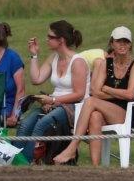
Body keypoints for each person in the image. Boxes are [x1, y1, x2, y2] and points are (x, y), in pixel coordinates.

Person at [53, 26, 134, 166]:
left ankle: (72, 147)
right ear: (112, 43)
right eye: (119, 41)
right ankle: (96, 168)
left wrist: (107, 88)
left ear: (130, 44)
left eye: (126, 42)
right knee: (95, 117)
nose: (122, 45)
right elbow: (95, 90)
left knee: (90, 102)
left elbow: (130, 94)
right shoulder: (104, 63)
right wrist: (117, 93)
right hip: (107, 109)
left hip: (128, 112)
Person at [15, 20, 89, 163]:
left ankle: (29, 163)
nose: (47, 40)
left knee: (41, 124)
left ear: (61, 40)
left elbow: (79, 94)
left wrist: (54, 101)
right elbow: (36, 79)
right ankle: (16, 161)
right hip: (54, 103)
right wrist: (34, 55)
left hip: (74, 107)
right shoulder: (54, 57)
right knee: (25, 124)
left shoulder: (77, 62)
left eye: (50, 37)